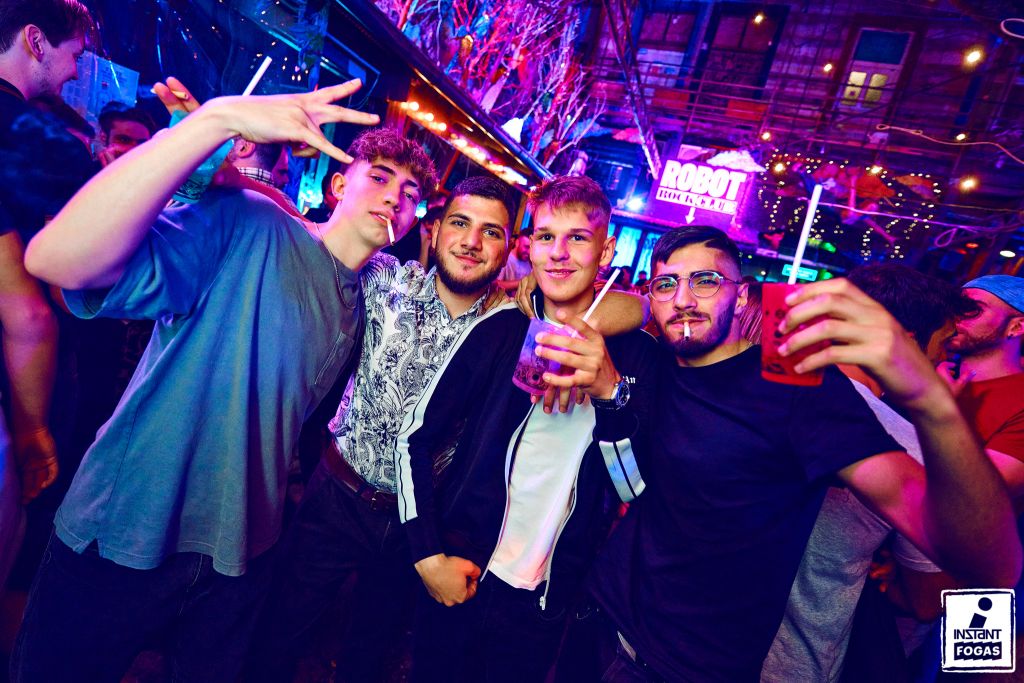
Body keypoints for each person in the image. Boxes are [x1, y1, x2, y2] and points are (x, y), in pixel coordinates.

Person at [11, 78, 420, 681]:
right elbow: (56, 260)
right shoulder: (252, 223)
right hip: (128, 528)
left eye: (410, 193)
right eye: (379, 177)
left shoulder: (364, 299)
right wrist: (212, 124)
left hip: (241, 554)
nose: (394, 197)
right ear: (338, 185)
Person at [542, 226, 1020, 681]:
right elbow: (609, 310)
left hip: (687, 667)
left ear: (741, 295)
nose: (683, 299)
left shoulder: (794, 385)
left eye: (706, 281)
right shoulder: (654, 360)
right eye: (667, 284)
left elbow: (987, 568)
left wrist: (931, 402)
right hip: (597, 621)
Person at [394, 175, 655, 682]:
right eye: (546, 236)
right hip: (464, 569)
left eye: (577, 237)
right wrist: (428, 553)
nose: (558, 253)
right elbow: (415, 438)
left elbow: (633, 489)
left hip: (546, 601)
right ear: (529, 247)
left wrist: (610, 393)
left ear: (607, 250)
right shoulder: (501, 328)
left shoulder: (639, 356)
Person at [763, 264, 976, 681]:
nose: (944, 357)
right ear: (903, 341)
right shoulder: (910, 446)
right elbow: (929, 599)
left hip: (691, 645)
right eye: (944, 341)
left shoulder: (761, 391)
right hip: (795, 665)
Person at [0, 0, 94, 588]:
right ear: (35, 41)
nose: (76, 70)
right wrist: (34, 426)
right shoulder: (43, 141)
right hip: (18, 383)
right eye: (74, 53)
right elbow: (35, 308)